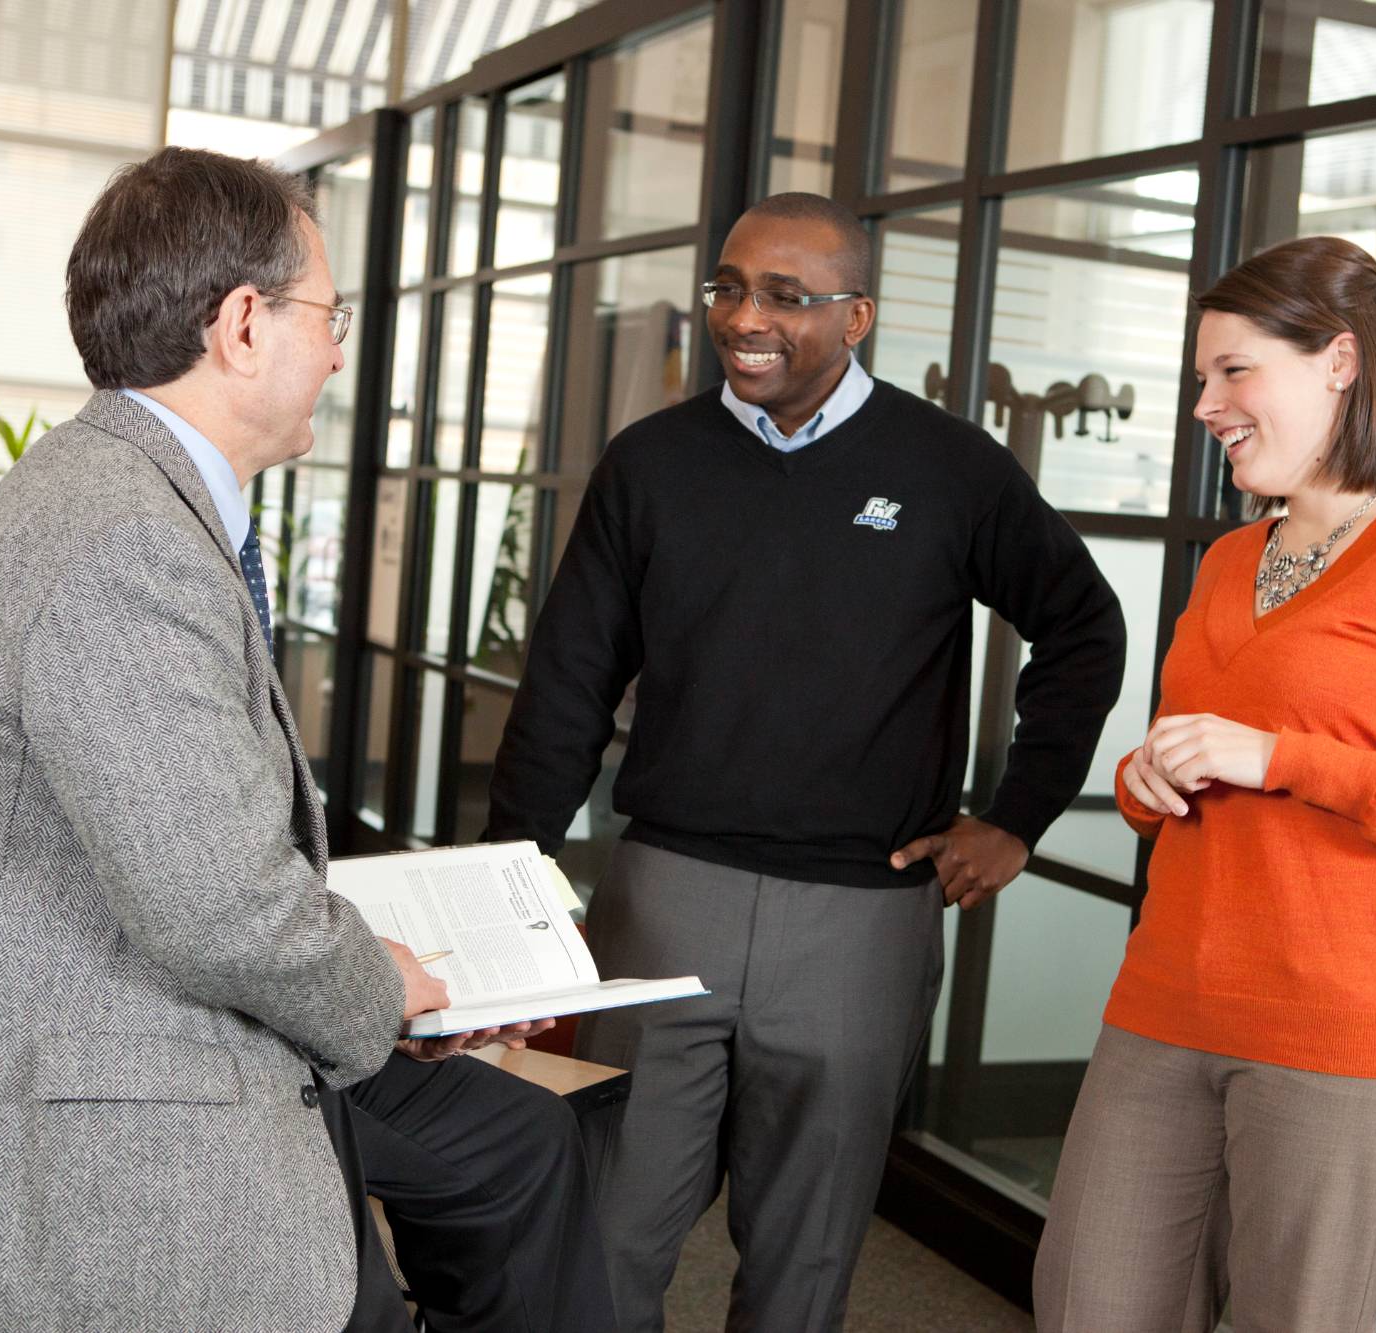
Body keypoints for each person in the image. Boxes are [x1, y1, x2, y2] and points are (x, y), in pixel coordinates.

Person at [0, 147, 615, 1333]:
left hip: (145, 1013)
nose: (339, 352)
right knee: (357, 1287)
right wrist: (381, 987)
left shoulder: (131, 495)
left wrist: (388, 983)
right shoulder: (120, 541)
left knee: (515, 1144)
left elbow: (203, 857)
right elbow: (218, 912)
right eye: (329, 317)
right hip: (97, 1093)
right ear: (244, 325)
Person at [481, 192, 1127, 1331]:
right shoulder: (652, 463)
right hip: (665, 902)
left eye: (786, 296)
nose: (746, 318)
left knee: (804, 1255)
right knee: (604, 1231)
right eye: (729, 287)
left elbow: (1083, 626)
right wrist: (505, 893)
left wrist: (1016, 814)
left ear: (855, 316)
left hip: (859, 920)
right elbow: (568, 683)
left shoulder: (948, 468)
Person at [1032, 235, 1376, 1331]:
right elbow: (1179, 764)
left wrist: (1281, 758)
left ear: (1338, 362)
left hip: (1342, 1036)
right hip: (1163, 1010)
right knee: (1087, 1304)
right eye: (1201, 377)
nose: (1205, 405)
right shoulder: (1231, 559)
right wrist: (1147, 775)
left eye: (1234, 371)